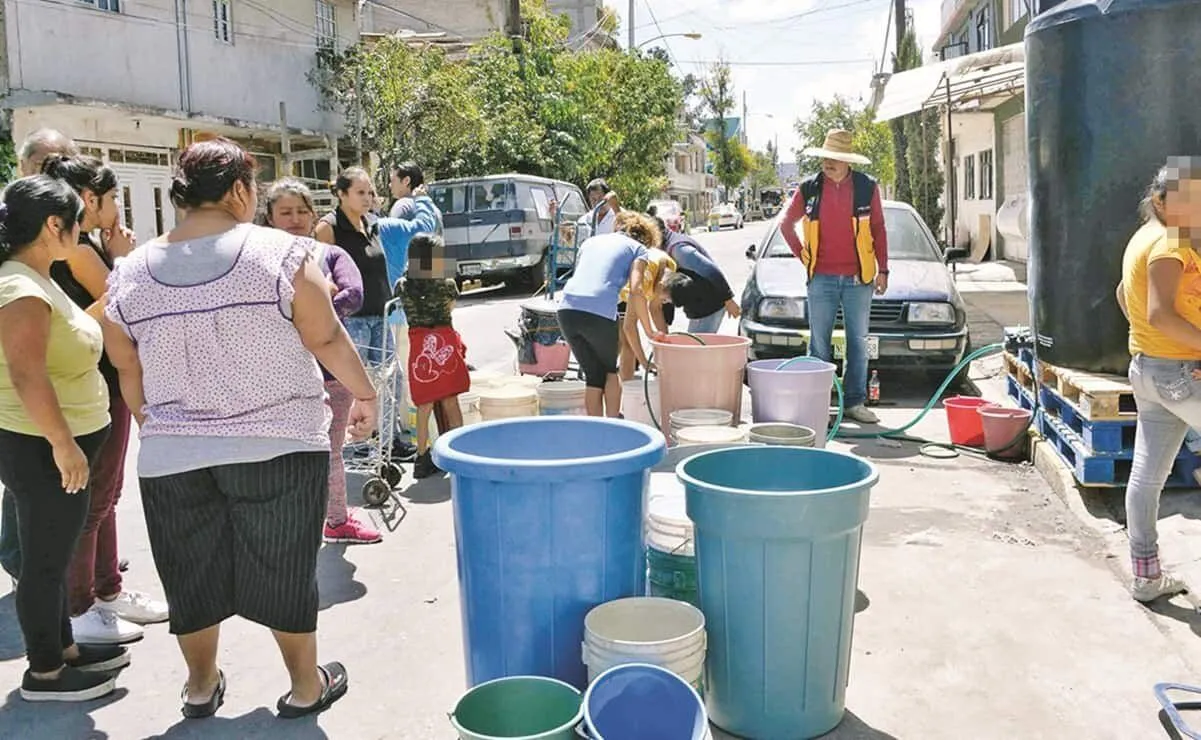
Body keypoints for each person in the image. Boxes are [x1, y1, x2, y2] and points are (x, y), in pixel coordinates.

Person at [101, 138, 377, 719]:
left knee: (189, 572)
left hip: (173, 454)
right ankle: (305, 687)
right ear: (238, 191)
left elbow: (127, 365)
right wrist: (366, 392)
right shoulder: (280, 253)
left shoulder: (131, 272)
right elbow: (324, 337)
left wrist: (159, 423)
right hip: (278, 442)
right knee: (284, 569)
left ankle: (201, 686)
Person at [0, 176, 127, 702]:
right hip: (42, 445)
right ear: (55, 225)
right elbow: (27, 374)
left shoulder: (38, 277)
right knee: (44, 563)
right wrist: (63, 443)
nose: (85, 230)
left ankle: (65, 648)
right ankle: (46, 673)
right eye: (79, 221)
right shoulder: (20, 287)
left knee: (50, 553)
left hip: (56, 441)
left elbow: (72, 334)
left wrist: (120, 290)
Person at [41, 154, 170, 645]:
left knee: (106, 495)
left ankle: (106, 590)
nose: (118, 207)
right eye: (113, 197)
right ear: (88, 200)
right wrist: (122, 261)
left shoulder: (87, 243)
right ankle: (80, 607)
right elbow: (117, 303)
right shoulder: (76, 248)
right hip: (89, 381)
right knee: (93, 499)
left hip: (105, 379)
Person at [264, 179, 381, 546]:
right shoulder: (257, 259)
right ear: (269, 218)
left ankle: (336, 519)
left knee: (331, 452)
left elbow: (354, 294)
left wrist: (309, 313)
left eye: (301, 211)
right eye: (285, 212)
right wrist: (316, 303)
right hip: (274, 374)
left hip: (331, 372)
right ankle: (285, 524)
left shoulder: (330, 255)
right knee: (278, 456)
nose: (295, 219)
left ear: (314, 216)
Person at [1114, 158, 1201, 603]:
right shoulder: (1171, 243)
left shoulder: (1143, 239)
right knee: (1148, 476)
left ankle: (1146, 577)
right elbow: (1159, 312)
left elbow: (1122, 297)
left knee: (1147, 477)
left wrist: (1149, 341)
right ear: (1160, 201)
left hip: (1148, 370)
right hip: (1179, 372)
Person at [0, 129, 85, 585]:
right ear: (23, 166)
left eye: (63, 162)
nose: (54, 171)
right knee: (28, 498)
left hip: (63, 386)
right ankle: (27, 573)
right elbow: (25, 370)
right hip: (27, 402)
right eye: (45, 161)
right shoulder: (19, 252)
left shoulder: (67, 232)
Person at [780, 129, 889, 425]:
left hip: (859, 279)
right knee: (818, 345)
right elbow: (786, 225)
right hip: (822, 279)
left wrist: (883, 269)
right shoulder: (809, 188)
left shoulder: (867, 187)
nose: (829, 163)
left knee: (858, 341)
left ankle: (854, 403)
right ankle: (819, 407)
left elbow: (878, 228)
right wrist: (804, 255)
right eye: (826, 157)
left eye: (835, 159)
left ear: (847, 162)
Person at [315, 169, 420, 463]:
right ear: (341, 194)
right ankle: (354, 442)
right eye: (360, 192)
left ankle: (388, 440)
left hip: (381, 314)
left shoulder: (371, 224)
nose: (367, 198)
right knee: (353, 384)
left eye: (370, 192)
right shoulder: (329, 227)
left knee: (390, 379)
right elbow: (321, 274)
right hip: (353, 319)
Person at [557, 212, 652, 417]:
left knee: (593, 375)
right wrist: (649, 330)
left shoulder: (591, 242)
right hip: (599, 311)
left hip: (566, 309)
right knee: (610, 370)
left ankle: (595, 427)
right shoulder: (639, 249)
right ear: (645, 237)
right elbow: (636, 289)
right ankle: (613, 425)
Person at [398, 234, 468, 479]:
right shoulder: (446, 283)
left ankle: (421, 456)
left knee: (424, 402)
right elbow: (450, 308)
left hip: (420, 345)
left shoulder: (402, 285)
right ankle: (459, 450)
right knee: (450, 399)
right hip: (444, 340)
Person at [655, 216, 740, 333]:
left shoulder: (679, 250)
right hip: (699, 306)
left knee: (697, 348)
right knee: (698, 346)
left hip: (709, 306)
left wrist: (728, 300)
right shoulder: (666, 247)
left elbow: (710, 270)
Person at [618, 239, 675, 382]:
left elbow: (655, 308)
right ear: (662, 286)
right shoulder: (643, 280)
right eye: (664, 299)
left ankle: (625, 390)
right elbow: (629, 327)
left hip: (631, 283)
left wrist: (665, 346)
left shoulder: (668, 268)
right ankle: (625, 391)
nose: (663, 302)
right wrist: (644, 362)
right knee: (627, 344)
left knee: (629, 343)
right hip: (611, 291)